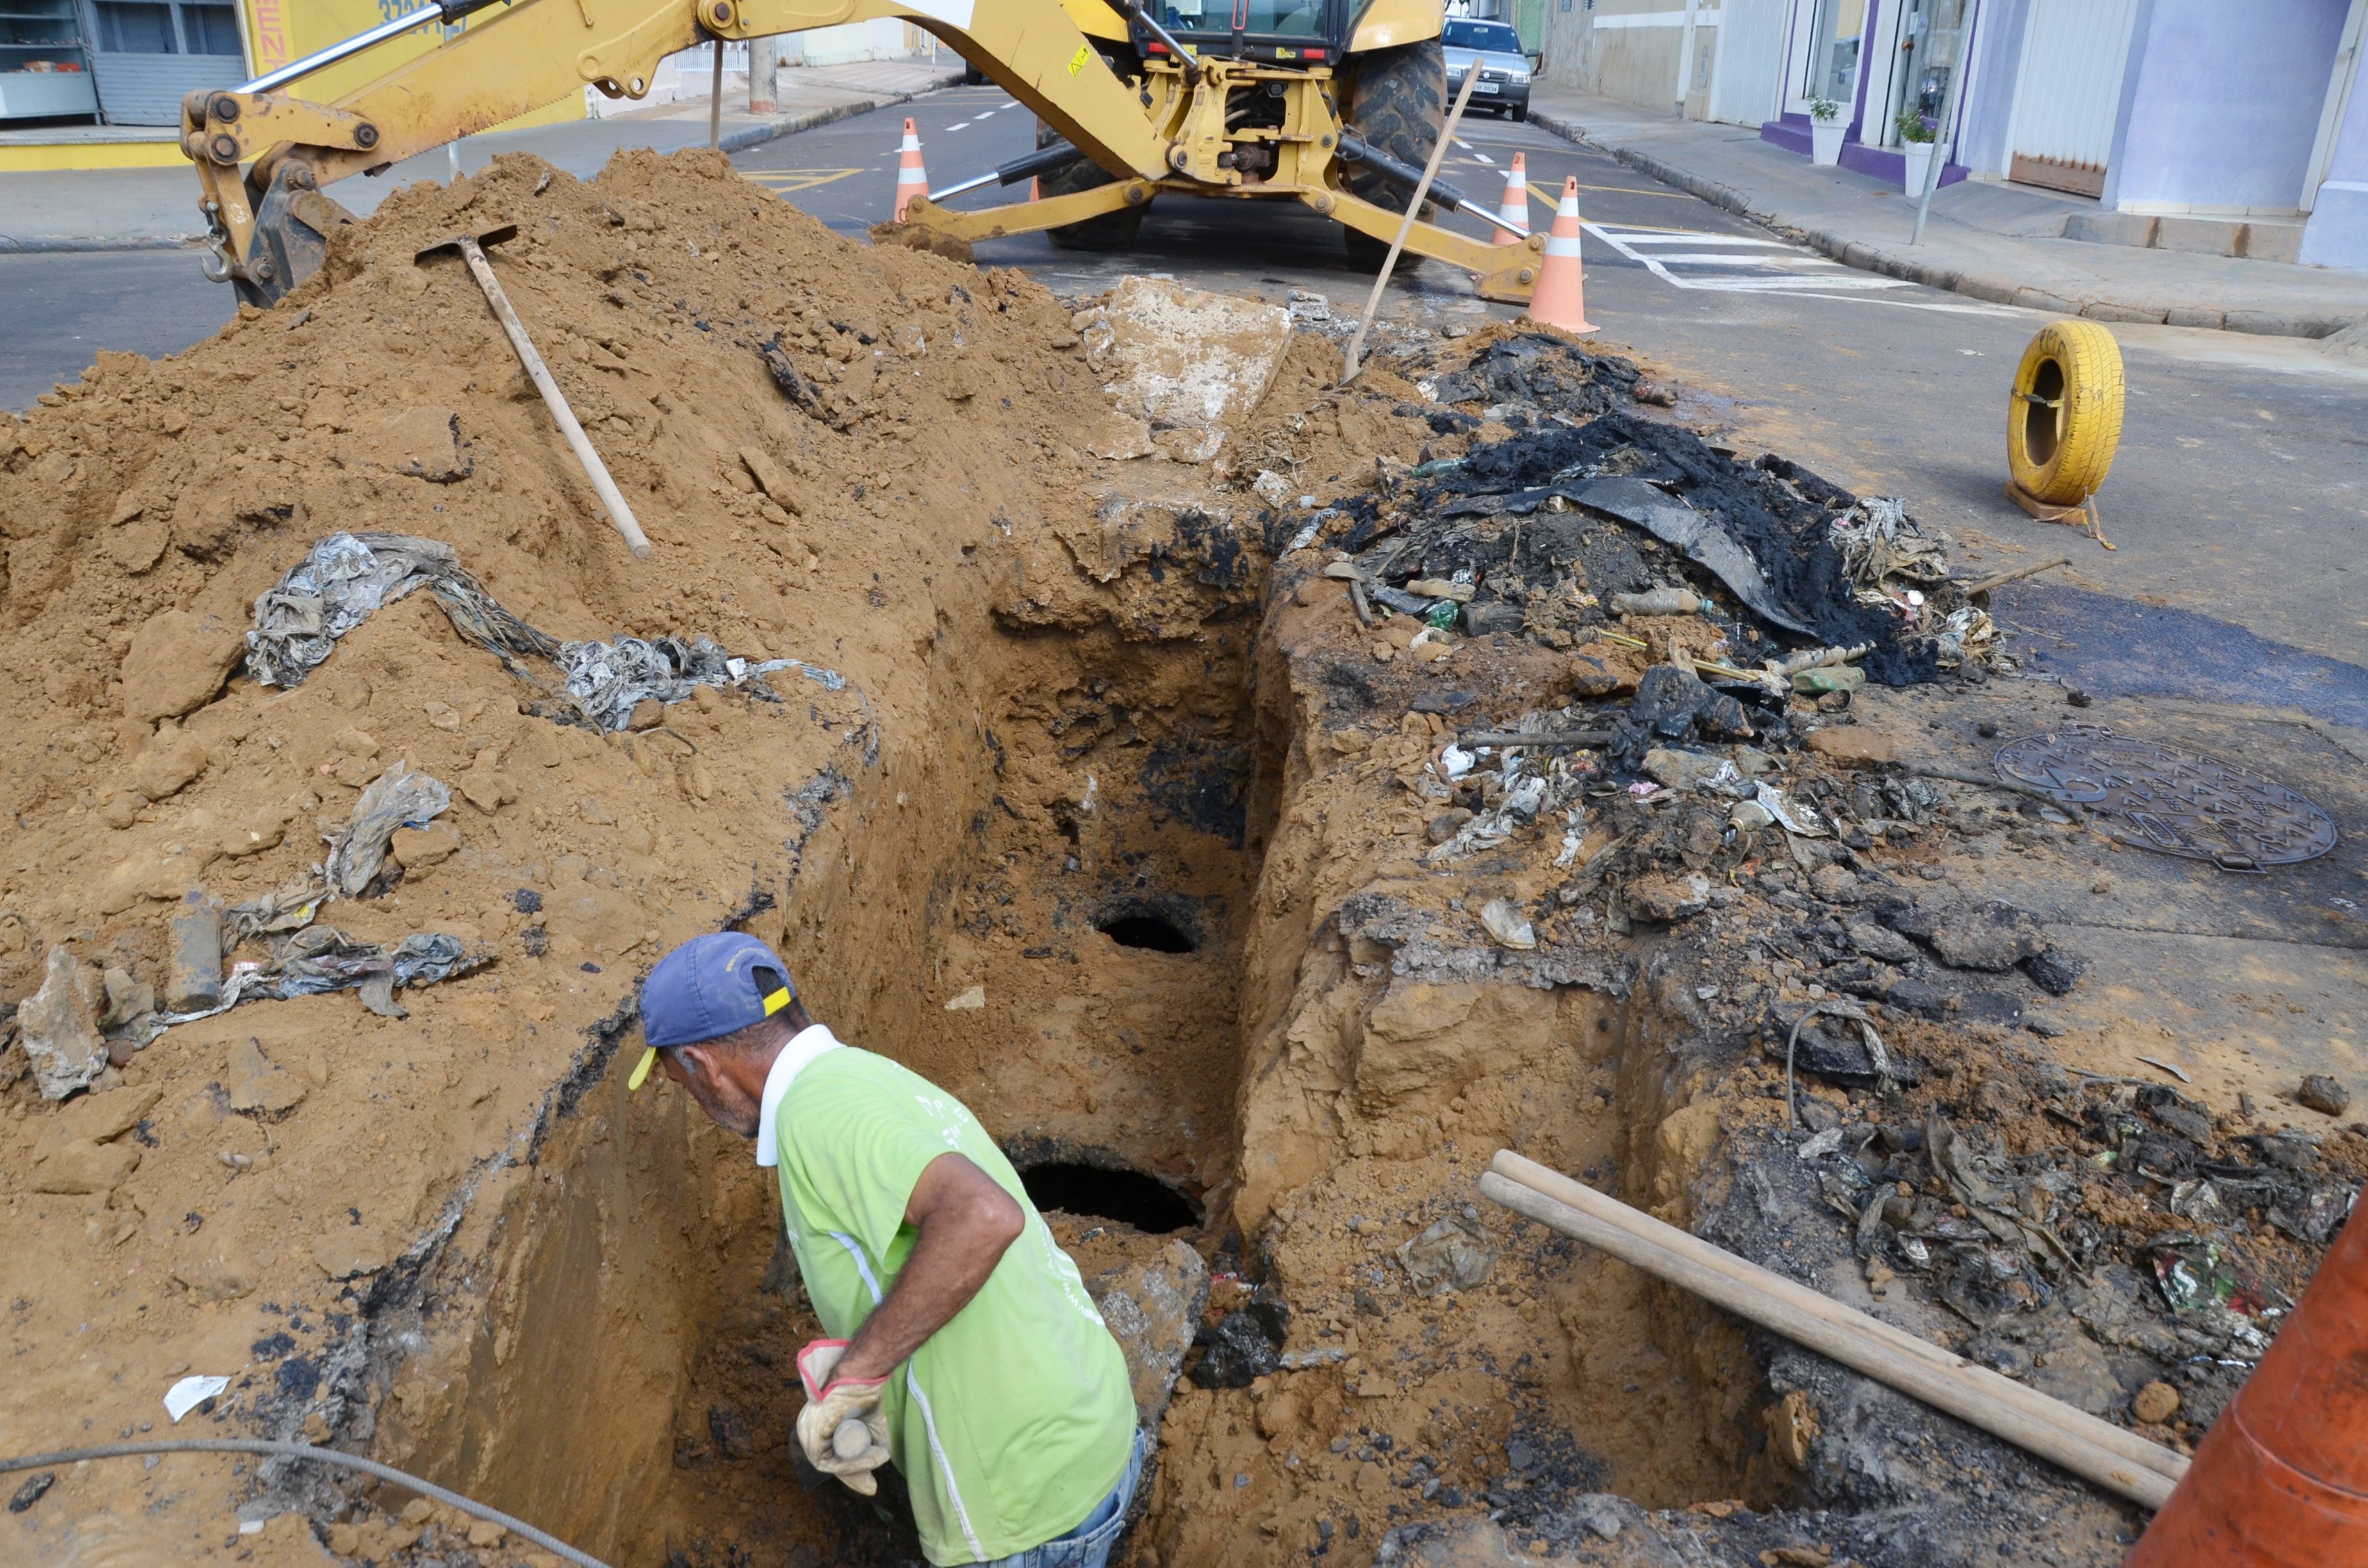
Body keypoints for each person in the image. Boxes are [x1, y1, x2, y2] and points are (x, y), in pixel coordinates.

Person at [629, 932, 1141, 1568]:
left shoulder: (818, 1117)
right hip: (1096, 1428)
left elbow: (983, 1217)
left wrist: (855, 1376)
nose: (693, 1099)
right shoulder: (865, 1075)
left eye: (680, 1081)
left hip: (1025, 1508)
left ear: (705, 1066)